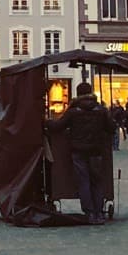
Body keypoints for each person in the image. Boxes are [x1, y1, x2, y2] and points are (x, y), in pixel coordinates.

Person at [47, 82, 114, 224]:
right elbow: (111, 128)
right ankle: (99, 212)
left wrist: (46, 122)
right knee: (97, 181)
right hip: (96, 150)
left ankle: (89, 213)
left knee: (84, 181)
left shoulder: (73, 111)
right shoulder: (101, 110)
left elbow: (58, 126)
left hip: (78, 150)